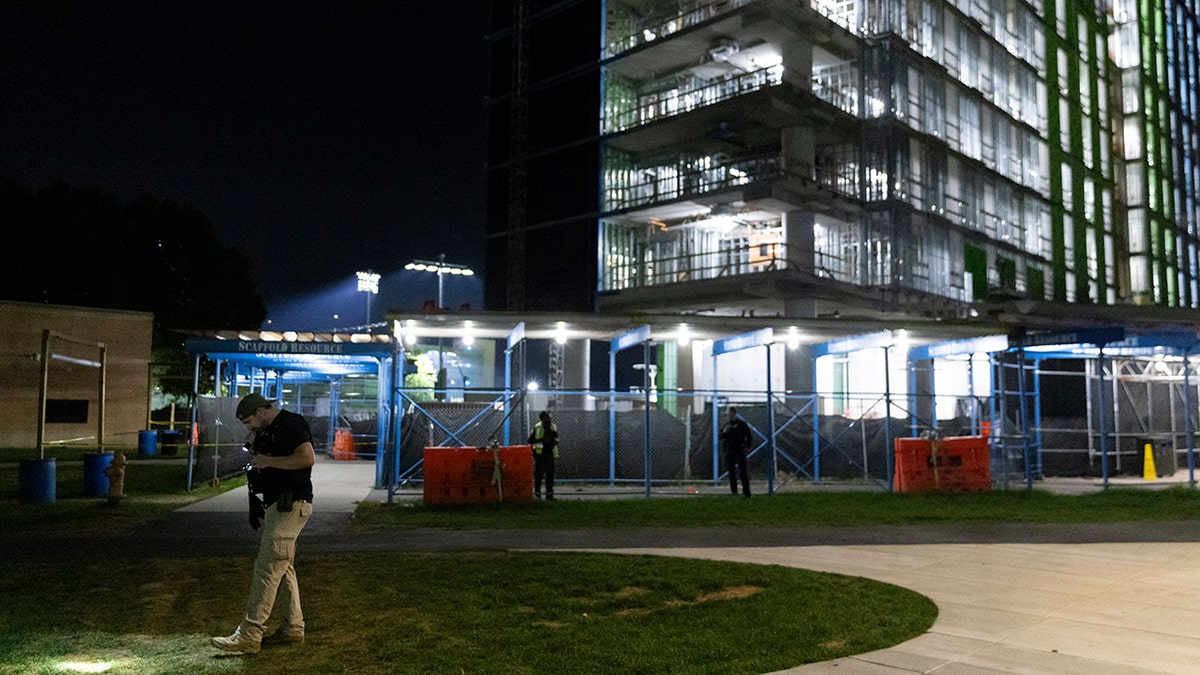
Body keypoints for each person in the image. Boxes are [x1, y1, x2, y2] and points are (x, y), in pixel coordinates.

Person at [211, 392, 315, 654]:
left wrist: (269, 461)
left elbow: (306, 458)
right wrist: (255, 447)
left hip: (290, 504)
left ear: (260, 411)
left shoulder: (292, 424)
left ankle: (249, 634)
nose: (249, 427)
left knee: (267, 570)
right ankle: (292, 629)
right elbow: (263, 462)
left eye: (249, 422)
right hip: (278, 505)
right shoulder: (269, 430)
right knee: (283, 568)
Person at [718, 406, 752, 497]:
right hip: (729, 451)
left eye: (729, 413)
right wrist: (725, 432)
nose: (728, 415)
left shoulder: (741, 424)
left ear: (733, 413)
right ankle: (734, 492)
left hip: (740, 450)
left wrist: (747, 446)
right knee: (731, 472)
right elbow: (720, 436)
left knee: (742, 471)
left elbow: (748, 436)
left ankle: (746, 492)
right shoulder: (726, 425)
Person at [528, 410, 559, 500]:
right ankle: (537, 494)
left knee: (550, 475)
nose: (548, 420)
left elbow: (556, 438)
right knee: (539, 475)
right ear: (542, 419)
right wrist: (541, 440)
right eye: (546, 418)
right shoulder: (537, 427)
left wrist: (555, 440)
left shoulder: (553, 427)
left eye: (549, 418)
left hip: (550, 454)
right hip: (540, 454)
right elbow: (530, 440)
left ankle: (549, 495)